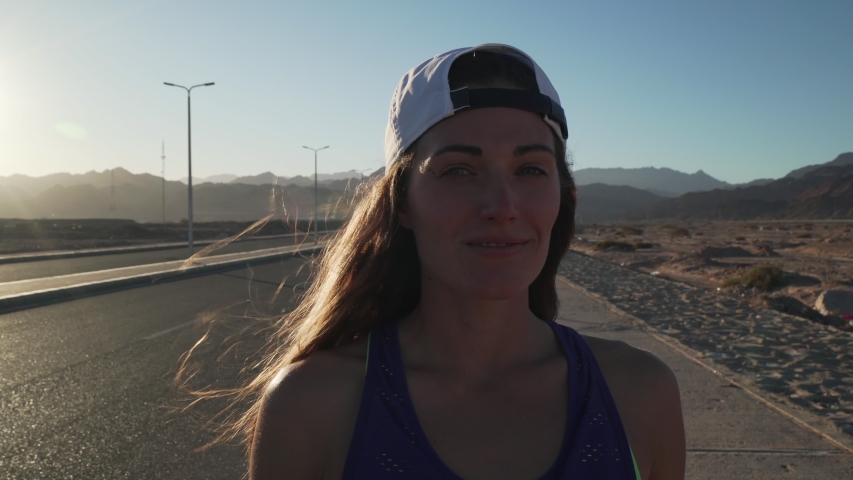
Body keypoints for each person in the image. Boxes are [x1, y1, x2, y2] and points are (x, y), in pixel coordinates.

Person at [247, 44, 686, 479]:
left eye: (530, 169)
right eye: (458, 170)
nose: (502, 206)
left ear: (563, 197)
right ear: (402, 203)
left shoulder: (638, 393)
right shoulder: (313, 405)